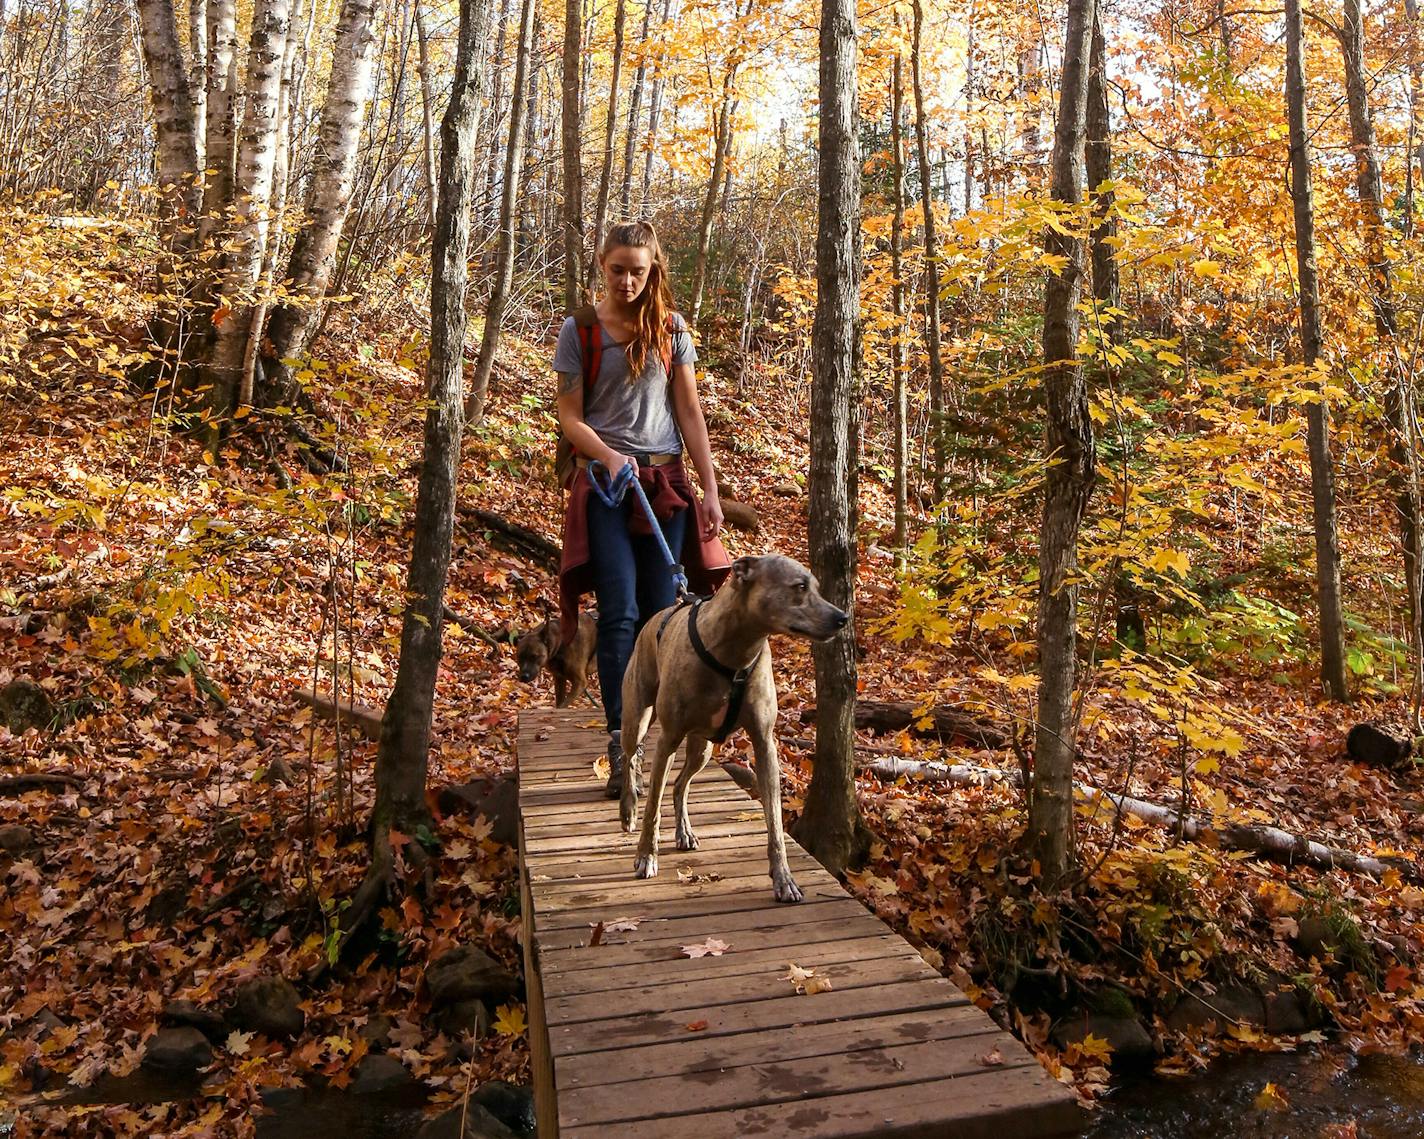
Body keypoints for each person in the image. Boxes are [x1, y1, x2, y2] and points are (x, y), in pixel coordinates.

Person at [554, 221, 731, 798]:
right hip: (606, 488)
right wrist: (607, 456)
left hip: (667, 486)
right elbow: (569, 417)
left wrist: (708, 490)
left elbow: (690, 413)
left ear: (653, 268)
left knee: (664, 613)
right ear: (600, 266)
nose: (628, 280)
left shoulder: (673, 330)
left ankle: (661, 735)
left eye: (638, 270)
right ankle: (619, 739)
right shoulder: (578, 331)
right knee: (621, 613)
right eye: (617, 269)